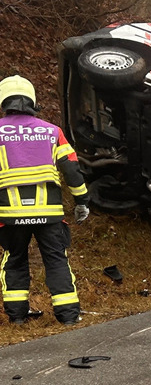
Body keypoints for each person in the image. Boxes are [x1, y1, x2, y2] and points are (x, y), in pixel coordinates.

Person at [0, 75, 90, 325]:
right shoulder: (52, 131)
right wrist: (82, 200)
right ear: (32, 100)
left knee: (14, 260)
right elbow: (71, 168)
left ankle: (17, 318)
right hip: (50, 214)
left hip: (9, 214)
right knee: (56, 260)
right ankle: (69, 317)